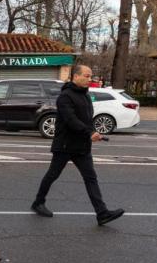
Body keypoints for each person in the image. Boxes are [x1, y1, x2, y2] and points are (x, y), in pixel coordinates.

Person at [32, 65, 124, 226]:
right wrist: (89, 132)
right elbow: (71, 120)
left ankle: (102, 213)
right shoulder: (65, 97)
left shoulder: (86, 95)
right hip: (65, 145)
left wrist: (92, 131)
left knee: (91, 178)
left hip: (82, 146)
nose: (90, 79)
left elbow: (86, 118)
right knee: (52, 175)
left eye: (91, 76)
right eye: (87, 76)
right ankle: (38, 202)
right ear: (75, 76)